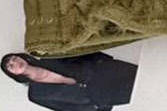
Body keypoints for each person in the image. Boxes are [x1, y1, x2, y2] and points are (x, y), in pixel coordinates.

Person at [1, 51, 137, 110]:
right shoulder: (36, 95)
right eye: (11, 66)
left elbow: (79, 54)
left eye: (14, 58)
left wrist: (103, 60)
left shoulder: (48, 57)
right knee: (141, 93)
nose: (15, 63)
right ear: (13, 74)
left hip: (104, 71)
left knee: (145, 74)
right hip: (97, 96)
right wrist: (96, 107)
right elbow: (65, 108)